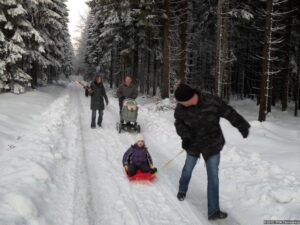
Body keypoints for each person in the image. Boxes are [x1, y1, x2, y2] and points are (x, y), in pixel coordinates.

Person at [174, 83, 250, 220]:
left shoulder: (211, 101)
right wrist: (185, 136)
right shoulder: (181, 108)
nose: (179, 104)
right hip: (193, 144)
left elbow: (228, 112)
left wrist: (241, 124)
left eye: (181, 101)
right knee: (187, 169)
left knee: (213, 177)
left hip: (212, 144)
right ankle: (182, 190)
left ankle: (213, 211)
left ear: (190, 97)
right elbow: (178, 123)